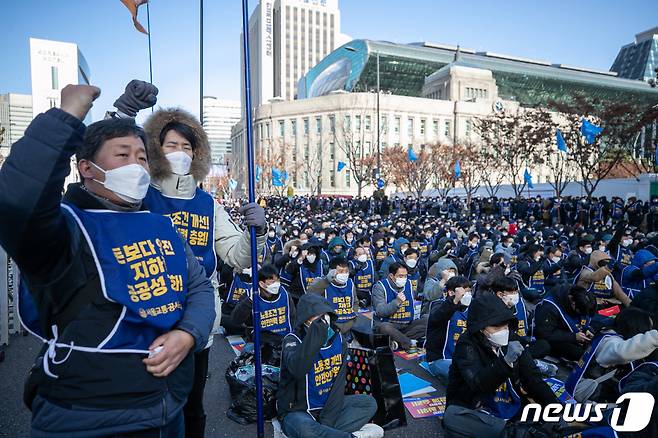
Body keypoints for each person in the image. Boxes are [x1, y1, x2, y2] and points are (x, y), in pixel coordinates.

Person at [0, 84, 215, 436]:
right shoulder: (62, 228)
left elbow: (199, 288)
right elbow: (17, 198)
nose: (137, 166)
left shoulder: (160, 224)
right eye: (122, 156)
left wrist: (188, 334)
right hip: (86, 416)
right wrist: (66, 115)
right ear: (86, 168)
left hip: (167, 408)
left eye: (143, 157)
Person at [141, 103, 267, 437]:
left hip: (199, 322)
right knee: (148, 406)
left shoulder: (207, 204)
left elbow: (238, 257)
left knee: (192, 404)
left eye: (186, 146)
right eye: (171, 145)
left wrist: (256, 233)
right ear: (155, 148)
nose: (179, 153)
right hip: (149, 320)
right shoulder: (141, 197)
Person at [443, 294, 558, 438]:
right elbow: (478, 383)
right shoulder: (467, 345)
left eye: (506, 325)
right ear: (481, 328)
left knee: (550, 418)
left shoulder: (512, 339)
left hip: (510, 405)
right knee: (453, 418)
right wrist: (506, 361)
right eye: (496, 326)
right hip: (476, 407)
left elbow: (533, 379)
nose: (503, 330)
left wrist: (557, 410)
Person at [277, 293, 384, 438]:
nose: (324, 320)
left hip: (326, 406)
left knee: (368, 403)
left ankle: (325, 432)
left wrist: (327, 420)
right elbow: (297, 369)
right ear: (305, 320)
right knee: (305, 430)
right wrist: (315, 336)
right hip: (298, 410)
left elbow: (339, 384)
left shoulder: (338, 340)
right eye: (317, 317)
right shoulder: (292, 340)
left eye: (326, 315)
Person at [565, 307, 658, 402]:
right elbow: (623, 353)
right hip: (592, 395)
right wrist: (655, 337)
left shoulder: (612, 336)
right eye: (648, 329)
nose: (648, 332)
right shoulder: (608, 341)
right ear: (637, 326)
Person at [230, 264, 295, 356]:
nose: (277, 284)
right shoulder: (250, 295)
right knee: (246, 356)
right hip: (259, 341)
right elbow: (235, 320)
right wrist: (250, 301)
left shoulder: (285, 294)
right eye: (273, 281)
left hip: (283, 338)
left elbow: (293, 317)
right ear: (261, 283)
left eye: (278, 280)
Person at [424, 276, 472, 384]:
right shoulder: (439, 305)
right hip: (440, 359)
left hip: (464, 359)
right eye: (464, 292)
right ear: (451, 293)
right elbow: (439, 316)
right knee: (464, 376)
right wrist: (455, 301)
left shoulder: (470, 309)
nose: (468, 295)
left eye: (469, 292)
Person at [372, 262, 427, 351]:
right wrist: (397, 302)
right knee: (384, 327)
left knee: (428, 321)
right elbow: (380, 311)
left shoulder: (409, 284)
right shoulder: (380, 287)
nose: (404, 279)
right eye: (400, 276)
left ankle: (398, 341)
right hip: (390, 324)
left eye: (405, 276)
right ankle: (409, 343)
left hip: (407, 325)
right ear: (391, 276)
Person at [535, 284, 597, 361]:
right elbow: (544, 334)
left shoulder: (579, 298)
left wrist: (586, 330)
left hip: (570, 333)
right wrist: (574, 337)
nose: (582, 314)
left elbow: (582, 318)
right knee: (582, 354)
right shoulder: (549, 307)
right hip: (551, 337)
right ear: (572, 301)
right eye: (580, 311)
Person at [308, 257, 359, 334]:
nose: (344, 274)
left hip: (349, 325)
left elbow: (355, 302)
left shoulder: (350, 283)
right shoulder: (322, 282)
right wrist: (326, 280)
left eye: (346, 271)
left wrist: (352, 320)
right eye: (341, 271)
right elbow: (310, 295)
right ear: (331, 271)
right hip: (330, 327)